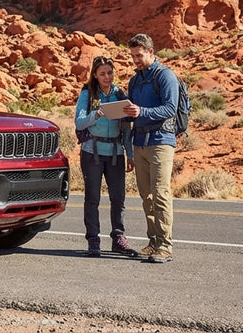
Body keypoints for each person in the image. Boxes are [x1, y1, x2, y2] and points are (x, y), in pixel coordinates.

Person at [122, 33, 181, 263]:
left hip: (161, 142)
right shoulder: (135, 81)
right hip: (140, 143)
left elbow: (170, 108)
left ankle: (165, 246)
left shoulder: (165, 76)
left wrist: (142, 112)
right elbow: (129, 114)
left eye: (139, 55)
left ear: (151, 52)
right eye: (133, 56)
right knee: (146, 195)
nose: (135, 60)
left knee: (161, 193)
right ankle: (153, 241)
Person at [74, 56, 137, 257]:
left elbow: (126, 127)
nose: (107, 77)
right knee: (92, 197)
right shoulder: (88, 93)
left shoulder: (119, 94)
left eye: (110, 72)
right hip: (92, 152)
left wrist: (130, 153)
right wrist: (96, 115)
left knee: (118, 197)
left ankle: (118, 238)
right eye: (102, 73)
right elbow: (79, 122)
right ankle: (93, 239)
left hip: (115, 153)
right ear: (95, 75)